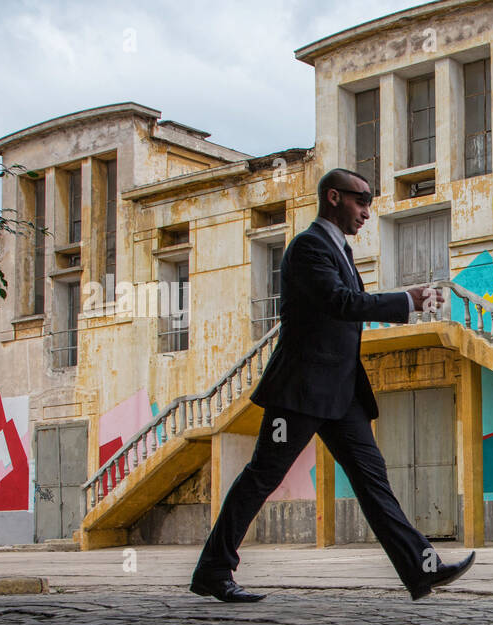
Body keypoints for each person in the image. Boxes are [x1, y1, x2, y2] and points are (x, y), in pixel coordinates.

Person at [189, 167, 474, 602]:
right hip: (302, 390)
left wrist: (404, 300)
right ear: (334, 197)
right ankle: (213, 569)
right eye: (361, 201)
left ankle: (422, 569)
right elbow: (341, 303)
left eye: (370, 204)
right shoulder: (308, 247)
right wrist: (406, 300)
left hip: (340, 393)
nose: (366, 212)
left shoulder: (337, 249)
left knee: (372, 480)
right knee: (262, 478)